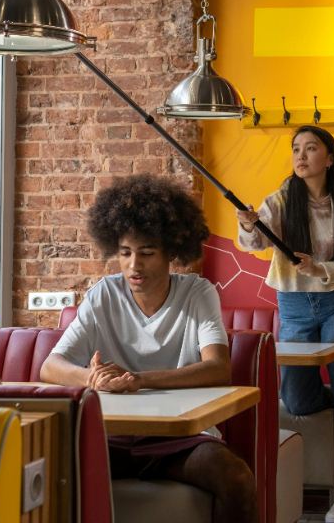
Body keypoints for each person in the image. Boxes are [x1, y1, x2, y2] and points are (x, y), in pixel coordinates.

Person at [40, 174, 256, 523]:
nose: (134, 265)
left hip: (179, 437)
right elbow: (50, 367)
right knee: (41, 467)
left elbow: (218, 368)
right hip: (109, 435)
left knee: (237, 478)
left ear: (171, 252)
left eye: (147, 253)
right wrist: (91, 379)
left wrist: (138, 379)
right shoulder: (103, 295)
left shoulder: (197, 294)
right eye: (125, 253)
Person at [236, 125, 334, 523]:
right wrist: (248, 224)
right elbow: (254, 244)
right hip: (294, 304)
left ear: (329, 158)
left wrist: (321, 268)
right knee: (297, 397)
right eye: (295, 148)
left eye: (311, 148)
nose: (300, 155)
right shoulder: (281, 200)